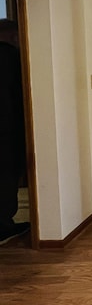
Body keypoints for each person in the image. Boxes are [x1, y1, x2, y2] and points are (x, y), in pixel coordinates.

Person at [0, 20, 29, 244]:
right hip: (7, 132)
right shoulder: (9, 58)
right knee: (7, 176)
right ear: (12, 36)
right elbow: (18, 98)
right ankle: (4, 226)